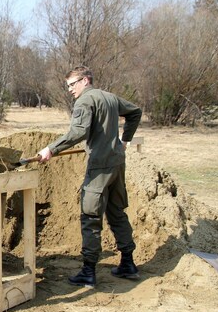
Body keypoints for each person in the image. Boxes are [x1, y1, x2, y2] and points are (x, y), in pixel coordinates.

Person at [37, 65, 142, 288]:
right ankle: (128, 263)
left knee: (90, 217)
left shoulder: (85, 101)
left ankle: (88, 271)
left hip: (99, 168)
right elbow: (135, 112)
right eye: (68, 86)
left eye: (72, 84)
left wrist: (51, 149)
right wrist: (124, 141)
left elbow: (78, 132)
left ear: (85, 80)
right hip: (116, 164)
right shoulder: (110, 97)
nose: (70, 90)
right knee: (116, 213)